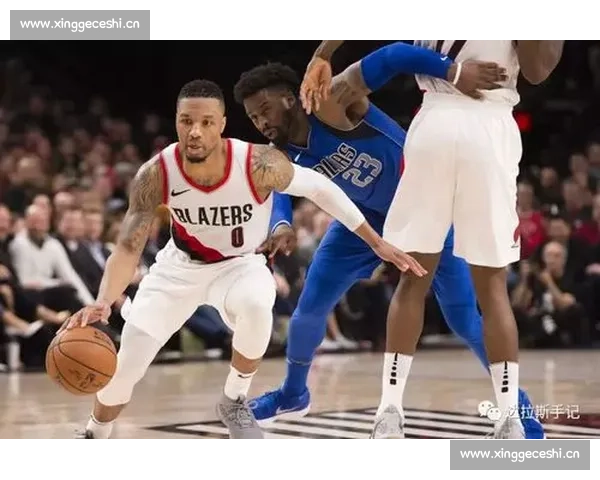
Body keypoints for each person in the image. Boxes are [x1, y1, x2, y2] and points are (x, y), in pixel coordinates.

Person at [58, 79, 424, 441]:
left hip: (239, 264)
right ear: (177, 122)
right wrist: (103, 301)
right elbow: (127, 247)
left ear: (221, 124)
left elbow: (321, 188)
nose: (195, 131)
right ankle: (94, 433)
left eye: (206, 122)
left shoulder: (256, 163)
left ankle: (233, 399)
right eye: (186, 121)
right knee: (125, 368)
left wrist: (375, 241)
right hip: (178, 268)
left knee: (257, 304)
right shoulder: (156, 173)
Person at [233, 42, 543, 440]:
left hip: (424, 208)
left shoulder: (330, 103)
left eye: (265, 109)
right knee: (309, 307)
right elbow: (279, 192)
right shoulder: (279, 153)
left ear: (290, 99)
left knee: (463, 317)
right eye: (253, 116)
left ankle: (517, 407)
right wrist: (280, 226)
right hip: (362, 222)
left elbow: (394, 57)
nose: (261, 121)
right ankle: (294, 393)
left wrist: (451, 72)